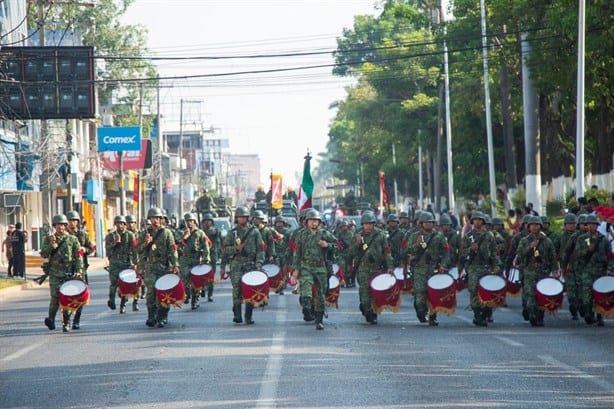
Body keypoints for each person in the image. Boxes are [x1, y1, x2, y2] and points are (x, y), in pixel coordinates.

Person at [291, 209, 338, 329]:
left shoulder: (324, 234)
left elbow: (339, 246)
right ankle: (306, 305)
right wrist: (295, 270)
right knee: (306, 291)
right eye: (311, 220)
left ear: (319, 222)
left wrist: (328, 245)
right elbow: (297, 253)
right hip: (306, 266)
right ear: (306, 222)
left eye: (316, 221)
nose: (313, 223)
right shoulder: (301, 235)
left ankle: (319, 320)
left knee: (320, 295)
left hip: (321, 267)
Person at [220, 206, 265, 325]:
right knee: (237, 290)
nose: (242, 219)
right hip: (236, 265)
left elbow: (261, 249)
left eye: (244, 217)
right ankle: (237, 314)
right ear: (236, 218)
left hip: (250, 264)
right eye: (240, 217)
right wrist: (235, 249)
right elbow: (224, 250)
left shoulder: (254, 232)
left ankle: (248, 316)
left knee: (250, 289)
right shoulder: (232, 233)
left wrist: (259, 263)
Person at [137, 207, 180, 328]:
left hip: (164, 267)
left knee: (163, 292)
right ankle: (151, 316)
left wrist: (175, 264)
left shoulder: (167, 233)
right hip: (150, 266)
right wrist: (145, 243)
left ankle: (162, 316)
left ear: (161, 219)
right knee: (151, 292)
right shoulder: (145, 233)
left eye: (157, 218)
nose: (155, 220)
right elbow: (138, 251)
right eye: (152, 218)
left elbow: (172, 250)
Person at [40, 214, 84, 332]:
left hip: (68, 273)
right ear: (54, 226)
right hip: (55, 273)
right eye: (59, 225)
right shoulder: (49, 239)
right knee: (55, 297)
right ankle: (51, 319)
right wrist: (51, 245)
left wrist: (79, 271)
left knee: (66, 298)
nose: (61, 228)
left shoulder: (72, 239)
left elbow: (78, 255)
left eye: (63, 225)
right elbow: (44, 254)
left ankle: (66, 322)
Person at [405, 212, 450, 326]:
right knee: (420, 292)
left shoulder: (439, 236)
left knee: (433, 293)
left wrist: (443, 265)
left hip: (433, 268)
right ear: (421, 223)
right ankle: (421, 310)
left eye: (431, 222)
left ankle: (432, 316)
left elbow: (446, 253)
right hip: (419, 268)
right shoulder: (415, 236)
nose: (429, 224)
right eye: (426, 222)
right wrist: (417, 244)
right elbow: (408, 251)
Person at [459, 212, 501, 327]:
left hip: (486, 267)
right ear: (472, 222)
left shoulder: (489, 236)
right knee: (473, 290)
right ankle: (477, 314)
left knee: (487, 290)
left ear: (483, 221)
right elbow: (462, 253)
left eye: (479, 220)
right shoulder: (468, 236)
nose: (477, 222)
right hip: (473, 267)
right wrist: (470, 250)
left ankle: (486, 313)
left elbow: (494, 252)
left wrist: (497, 265)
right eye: (475, 220)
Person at [351, 211, 393, 325]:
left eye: (370, 224)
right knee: (365, 293)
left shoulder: (381, 235)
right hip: (363, 269)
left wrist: (389, 267)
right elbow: (351, 252)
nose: (368, 226)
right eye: (366, 224)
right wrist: (357, 244)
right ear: (362, 225)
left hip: (377, 269)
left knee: (375, 294)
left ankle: (372, 313)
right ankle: (366, 307)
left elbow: (387, 252)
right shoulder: (357, 235)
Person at [516, 216, 556, 327]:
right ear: (529, 227)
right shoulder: (524, 241)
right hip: (529, 271)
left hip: (543, 271)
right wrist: (529, 248)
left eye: (537, 225)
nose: (534, 227)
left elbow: (552, 257)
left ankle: (540, 316)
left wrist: (555, 270)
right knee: (530, 295)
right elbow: (520, 255)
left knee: (541, 295)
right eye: (532, 225)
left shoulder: (547, 241)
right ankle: (532, 314)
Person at [576, 214, 610, 326]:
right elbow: (578, 254)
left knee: (600, 294)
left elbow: (609, 256)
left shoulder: (603, 240)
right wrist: (587, 251)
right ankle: (588, 313)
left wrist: (609, 269)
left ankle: (600, 316)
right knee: (587, 293)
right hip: (587, 270)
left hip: (600, 270)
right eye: (589, 224)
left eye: (594, 224)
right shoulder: (582, 239)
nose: (591, 226)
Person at [66, 210, 95, 329]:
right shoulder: (63, 235)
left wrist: (84, 249)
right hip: (66, 268)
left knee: (81, 295)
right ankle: (66, 320)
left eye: (74, 221)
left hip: (80, 268)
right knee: (66, 294)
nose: (72, 223)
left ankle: (76, 319)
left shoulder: (83, 235)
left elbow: (91, 248)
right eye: (70, 221)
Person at [104, 215, 138, 314]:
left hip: (126, 263)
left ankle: (123, 304)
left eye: (122, 224)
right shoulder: (110, 236)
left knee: (124, 285)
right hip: (114, 263)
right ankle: (111, 300)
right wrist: (115, 242)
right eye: (118, 223)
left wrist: (135, 263)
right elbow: (108, 251)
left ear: (125, 224)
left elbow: (134, 250)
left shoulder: (130, 235)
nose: (120, 226)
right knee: (113, 283)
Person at [179, 212, 210, 310]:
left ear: (194, 222)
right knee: (185, 277)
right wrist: (183, 237)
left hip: (196, 258)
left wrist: (206, 258)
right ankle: (187, 293)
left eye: (190, 221)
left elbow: (206, 246)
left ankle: (195, 299)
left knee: (196, 280)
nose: (189, 223)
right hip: (184, 258)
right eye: (187, 221)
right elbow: (175, 246)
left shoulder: (200, 233)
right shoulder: (180, 232)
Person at [202, 212, 222, 302]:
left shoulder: (214, 230)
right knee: (201, 275)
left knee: (210, 276)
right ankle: (201, 290)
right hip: (201, 256)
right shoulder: (200, 231)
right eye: (205, 221)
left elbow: (215, 234)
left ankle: (210, 294)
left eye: (209, 221)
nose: (207, 223)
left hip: (212, 255)